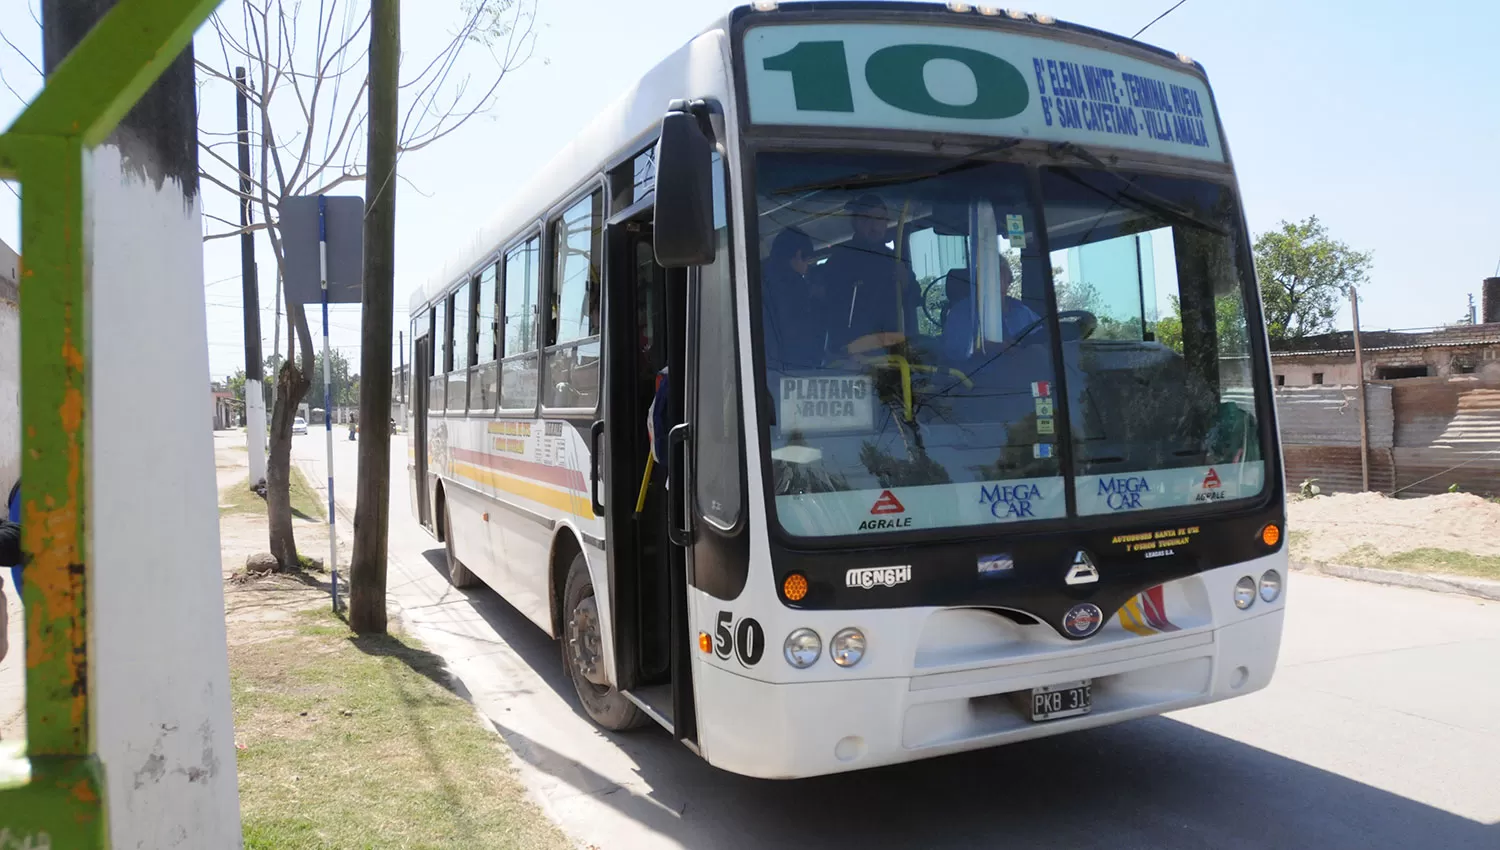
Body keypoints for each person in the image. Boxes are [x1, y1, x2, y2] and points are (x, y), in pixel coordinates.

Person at [816, 194, 921, 353]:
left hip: (894, 348)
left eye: (880, 220)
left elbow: (915, 300)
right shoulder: (839, 262)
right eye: (867, 220)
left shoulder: (896, 259)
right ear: (856, 223)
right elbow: (830, 311)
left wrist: (906, 283)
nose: (874, 226)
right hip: (854, 352)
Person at [940, 263, 1043, 360]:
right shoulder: (961, 312)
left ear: (1008, 283)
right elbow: (952, 351)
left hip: (1023, 372)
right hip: (977, 375)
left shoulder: (1021, 311)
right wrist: (989, 347)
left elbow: (1043, 335)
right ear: (981, 281)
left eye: (1003, 279)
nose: (999, 284)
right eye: (993, 278)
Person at [761, 227, 824, 371]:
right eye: (807, 262)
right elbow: (800, 333)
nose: (807, 269)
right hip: (791, 369)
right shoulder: (794, 284)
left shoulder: (759, 276)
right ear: (798, 254)